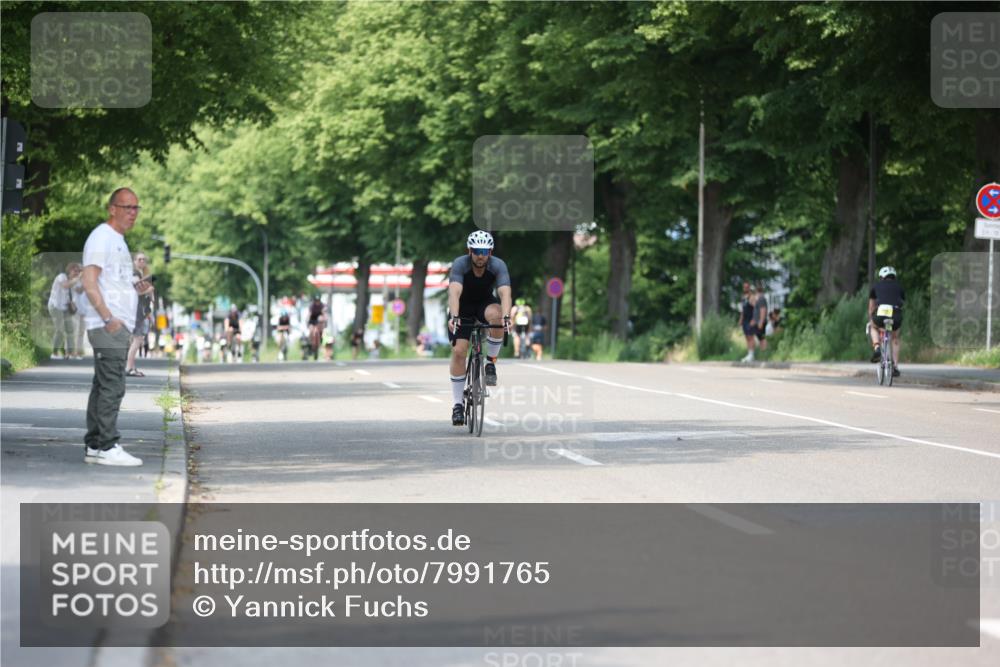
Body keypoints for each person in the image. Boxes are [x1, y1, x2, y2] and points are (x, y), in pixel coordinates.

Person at [80, 187, 143, 466]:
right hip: (107, 325)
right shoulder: (101, 237)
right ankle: (108, 445)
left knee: (102, 384)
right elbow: (89, 281)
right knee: (113, 386)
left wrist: (135, 288)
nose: (132, 213)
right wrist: (108, 318)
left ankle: (95, 444)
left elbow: (113, 280)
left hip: (114, 324)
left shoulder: (117, 240)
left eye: (135, 208)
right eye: (126, 207)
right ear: (112, 209)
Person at [446, 230, 512, 426]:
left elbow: (505, 293)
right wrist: (454, 316)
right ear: (470, 251)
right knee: (459, 351)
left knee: (498, 316)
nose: (480, 255)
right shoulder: (460, 264)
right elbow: (454, 292)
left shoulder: (498, 265)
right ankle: (457, 405)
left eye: (484, 250)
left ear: (490, 251)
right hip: (463, 307)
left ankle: (490, 362)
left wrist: (507, 316)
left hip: (485, 304)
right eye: (476, 251)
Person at [868, 265, 905, 377]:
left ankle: (877, 347)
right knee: (895, 338)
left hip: (881, 313)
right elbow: (902, 303)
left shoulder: (875, 287)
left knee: (873, 327)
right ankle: (895, 367)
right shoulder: (900, 287)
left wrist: (871, 318)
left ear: (882, 277)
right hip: (895, 314)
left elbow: (871, 307)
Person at [126, 253, 154, 377]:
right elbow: (135, 292)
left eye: (144, 259)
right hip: (135, 311)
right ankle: (129, 368)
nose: (142, 261)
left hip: (140, 310)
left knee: (136, 340)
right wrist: (148, 290)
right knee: (137, 340)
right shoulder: (134, 274)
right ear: (134, 261)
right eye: (139, 259)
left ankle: (131, 367)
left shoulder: (141, 274)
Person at [48, 262, 82, 359]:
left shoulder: (74, 282)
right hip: (55, 306)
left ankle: (71, 354)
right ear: (70, 270)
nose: (77, 273)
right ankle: (54, 353)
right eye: (75, 271)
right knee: (60, 330)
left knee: (70, 330)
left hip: (64, 308)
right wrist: (79, 278)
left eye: (79, 271)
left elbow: (80, 291)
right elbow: (65, 286)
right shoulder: (61, 276)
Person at [738, 282, 756, 362]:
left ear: (749, 288)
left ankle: (752, 355)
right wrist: (740, 320)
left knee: (751, 337)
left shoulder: (751, 297)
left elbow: (756, 309)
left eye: (746, 287)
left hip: (750, 319)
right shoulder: (743, 298)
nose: (745, 288)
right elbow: (742, 310)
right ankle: (749, 354)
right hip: (745, 320)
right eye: (744, 287)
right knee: (747, 337)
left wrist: (754, 319)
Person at [750, 285, 768, 354]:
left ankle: (764, 351)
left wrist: (761, 321)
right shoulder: (758, 299)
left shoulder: (761, 299)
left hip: (760, 321)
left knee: (762, 337)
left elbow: (763, 310)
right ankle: (762, 351)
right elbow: (753, 304)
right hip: (757, 321)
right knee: (760, 337)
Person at [307, 295, 324, 360]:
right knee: (311, 331)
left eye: (318, 301)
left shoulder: (321, 305)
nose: (317, 302)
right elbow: (309, 314)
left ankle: (320, 341)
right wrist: (307, 320)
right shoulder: (312, 306)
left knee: (319, 330)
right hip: (312, 320)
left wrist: (325, 318)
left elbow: (324, 313)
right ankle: (310, 343)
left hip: (319, 321)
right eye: (316, 301)